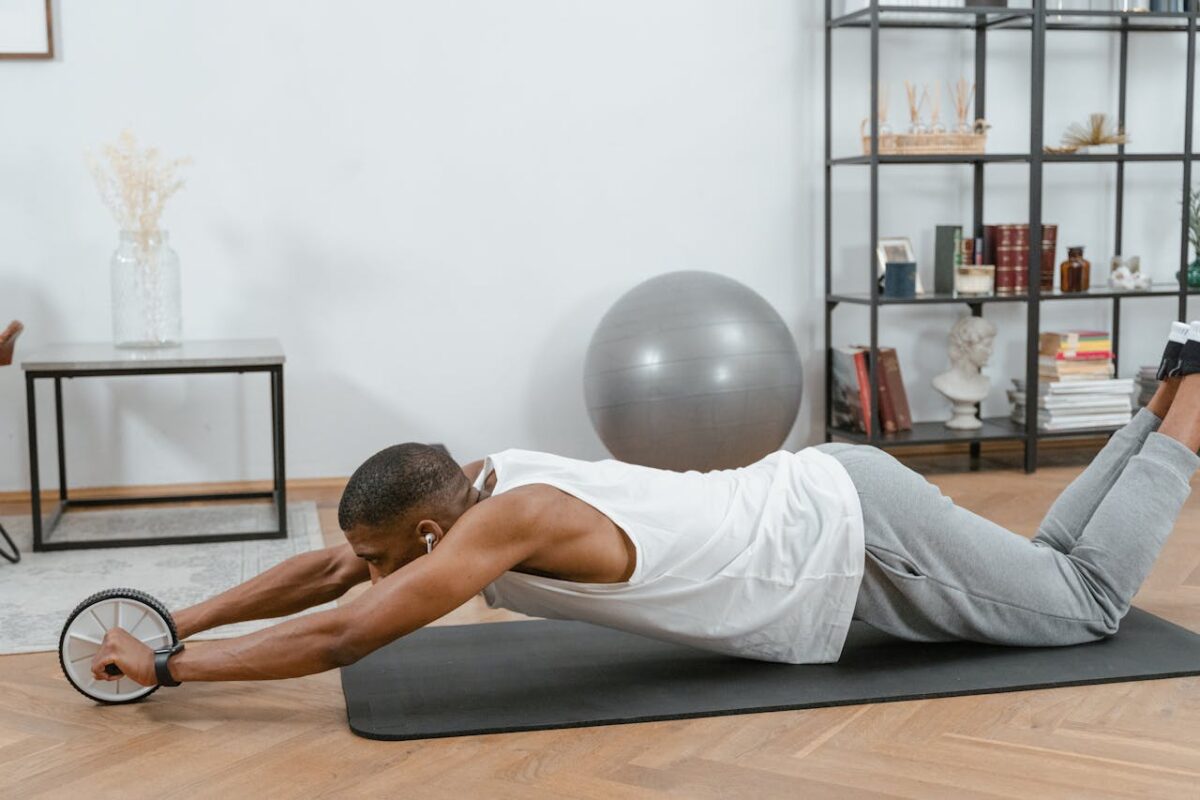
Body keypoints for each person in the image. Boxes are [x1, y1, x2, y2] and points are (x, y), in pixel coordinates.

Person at [90, 322, 1200, 688]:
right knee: (1056, 557)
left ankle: (1195, 406)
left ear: (432, 536)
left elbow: (345, 627)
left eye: (393, 556)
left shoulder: (505, 524)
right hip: (837, 510)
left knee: (1087, 598)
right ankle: (1166, 390)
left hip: (849, 540)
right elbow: (333, 573)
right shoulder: (473, 476)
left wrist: (173, 673)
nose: (373, 567)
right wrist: (178, 617)